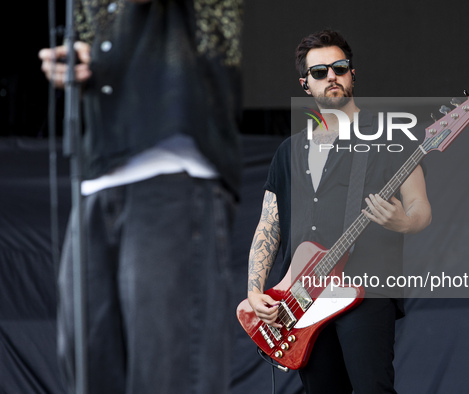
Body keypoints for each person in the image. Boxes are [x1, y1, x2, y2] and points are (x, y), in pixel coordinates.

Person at [38, 0, 243, 393]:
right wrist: (80, 58)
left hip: (173, 170)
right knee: (88, 373)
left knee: (167, 376)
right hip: (99, 177)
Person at [246, 30, 432, 393]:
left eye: (339, 67)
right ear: (306, 84)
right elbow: (269, 225)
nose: (331, 76)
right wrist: (255, 291)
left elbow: (420, 206)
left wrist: (405, 221)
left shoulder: (390, 136)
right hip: (300, 297)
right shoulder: (289, 151)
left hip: (365, 288)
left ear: (351, 74)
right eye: (319, 72)